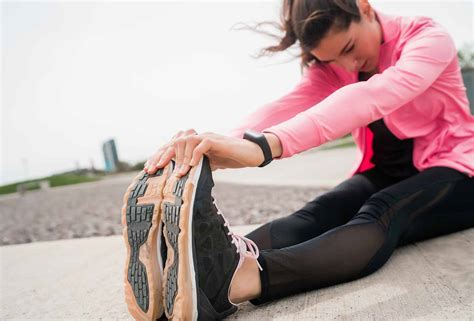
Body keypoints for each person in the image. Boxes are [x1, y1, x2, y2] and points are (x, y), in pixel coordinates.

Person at [127, 0, 474, 319]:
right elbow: (287, 106)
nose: (346, 65)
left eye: (349, 48)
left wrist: (266, 147)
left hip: (457, 171)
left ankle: (242, 280)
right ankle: (193, 267)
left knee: (384, 209)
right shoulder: (336, 64)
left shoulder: (427, 37)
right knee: (318, 211)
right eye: (331, 60)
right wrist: (214, 149)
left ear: (364, 7)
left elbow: (373, 96)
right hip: (386, 170)